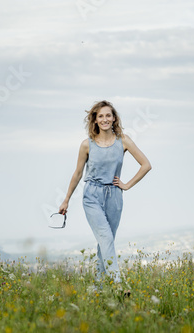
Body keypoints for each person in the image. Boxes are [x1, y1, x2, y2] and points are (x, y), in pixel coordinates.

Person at [58, 100, 152, 286]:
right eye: (100, 116)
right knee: (106, 238)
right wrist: (66, 200)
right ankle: (118, 284)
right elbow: (77, 174)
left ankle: (98, 289)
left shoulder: (123, 140)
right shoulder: (87, 145)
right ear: (94, 120)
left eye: (108, 115)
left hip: (115, 196)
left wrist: (127, 185)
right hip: (92, 195)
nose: (105, 119)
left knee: (105, 243)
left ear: (114, 118)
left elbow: (146, 165)